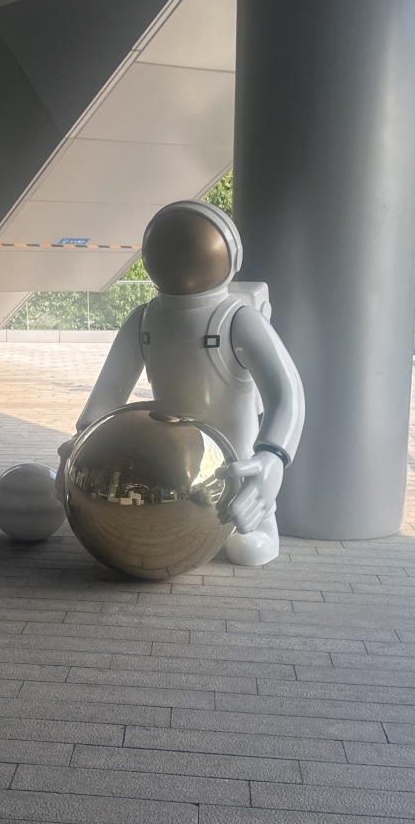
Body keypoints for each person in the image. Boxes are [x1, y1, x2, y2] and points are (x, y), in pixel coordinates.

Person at [63, 200, 305, 566]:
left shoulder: (238, 319)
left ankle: (262, 526)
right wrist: (81, 441)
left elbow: (287, 393)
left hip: (236, 454)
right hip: (171, 453)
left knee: (243, 522)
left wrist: (272, 455)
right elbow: (109, 393)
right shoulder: (144, 319)